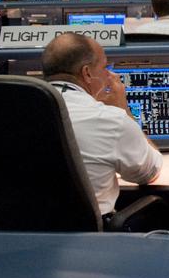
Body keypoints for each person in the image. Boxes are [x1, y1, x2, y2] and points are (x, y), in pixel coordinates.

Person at [43, 33, 162, 217]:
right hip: (91, 239)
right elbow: (149, 173)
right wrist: (124, 111)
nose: (109, 74)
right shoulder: (110, 119)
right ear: (87, 73)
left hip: (19, 238)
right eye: (105, 67)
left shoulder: (12, 115)